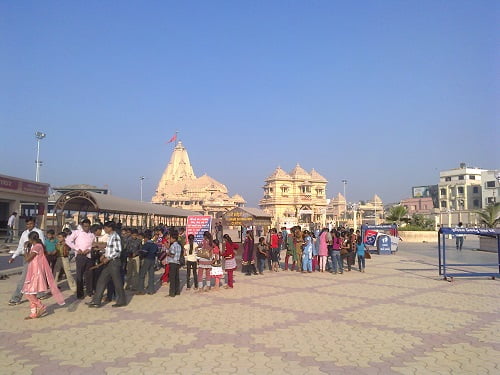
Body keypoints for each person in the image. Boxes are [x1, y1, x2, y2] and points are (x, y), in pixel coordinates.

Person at [22, 231, 65, 319]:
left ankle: (41, 306)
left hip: (35, 272)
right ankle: (33, 313)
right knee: (30, 293)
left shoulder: (37, 247)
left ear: (31, 239)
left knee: (28, 293)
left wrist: (25, 249)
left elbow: (27, 259)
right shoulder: (37, 246)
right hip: (33, 270)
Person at [87, 221, 127, 308]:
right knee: (101, 281)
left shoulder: (115, 236)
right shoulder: (110, 236)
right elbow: (110, 249)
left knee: (117, 282)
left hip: (114, 262)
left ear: (110, 228)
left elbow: (117, 251)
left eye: (105, 228)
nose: (104, 229)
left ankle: (121, 300)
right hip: (109, 262)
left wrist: (108, 258)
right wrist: (104, 255)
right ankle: (96, 301)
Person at [8, 217, 45, 306]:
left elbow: (41, 245)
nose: (29, 226)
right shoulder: (24, 233)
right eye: (28, 224)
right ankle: (38, 294)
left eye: (31, 224)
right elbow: (20, 247)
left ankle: (16, 298)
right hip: (27, 258)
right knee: (26, 278)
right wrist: (14, 256)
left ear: (34, 223)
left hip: (35, 258)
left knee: (28, 278)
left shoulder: (39, 232)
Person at [65, 218, 96, 299]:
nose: (86, 228)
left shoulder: (92, 234)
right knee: (79, 275)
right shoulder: (77, 232)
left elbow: (93, 244)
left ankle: (89, 291)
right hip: (80, 256)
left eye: (88, 226)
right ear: (82, 226)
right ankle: (80, 293)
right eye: (85, 226)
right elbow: (68, 240)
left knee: (89, 274)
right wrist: (76, 248)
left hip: (88, 255)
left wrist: (89, 249)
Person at [136, 230, 159, 295]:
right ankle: (151, 290)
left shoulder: (146, 245)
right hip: (152, 260)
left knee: (142, 275)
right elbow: (157, 253)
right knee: (151, 275)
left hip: (147, 259)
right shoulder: (155, 245)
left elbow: (143, 253)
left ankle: (141, 290)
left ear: (146, 238)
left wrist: (140, 253)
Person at [166, 230, 182, 297]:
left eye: (171, 238)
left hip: (172, 262)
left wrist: (167, 252)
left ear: (173, 239)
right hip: (177, 262)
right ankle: (177, 291)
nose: (170, 239)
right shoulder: (179, 246)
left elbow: (172, 255)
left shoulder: (173, 246)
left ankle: (172, 293)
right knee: (176, 278)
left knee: (172, 278)